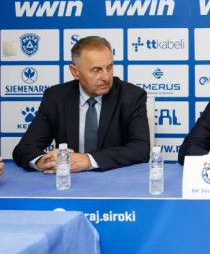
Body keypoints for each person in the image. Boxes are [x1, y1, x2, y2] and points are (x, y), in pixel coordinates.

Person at [13, 36, 150, 172]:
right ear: (75, 71)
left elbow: (141, 149)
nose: (106, 77)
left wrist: (88, 160)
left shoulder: (131, 96)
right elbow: (24, 148)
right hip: (68, 180)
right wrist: (44, 162)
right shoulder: (56, 98)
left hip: (115, 178)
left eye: (109, 68)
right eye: (96, 70)